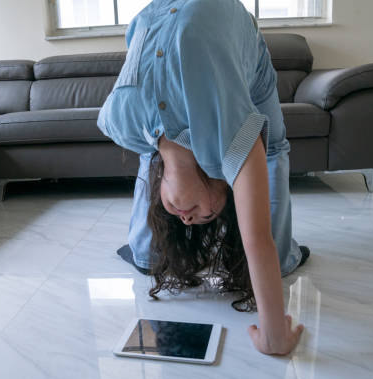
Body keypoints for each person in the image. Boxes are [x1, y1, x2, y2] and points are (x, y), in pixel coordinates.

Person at [97, 0, 308, 356]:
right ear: (224, 181)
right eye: (208, 216)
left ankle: (147, 255)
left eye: (178, 218)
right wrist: (274, 336)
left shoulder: (121, 124)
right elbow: (256, 238)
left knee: (154, 149)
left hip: (161, 12)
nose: (187, 218)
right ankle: (282, 259)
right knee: (269, 148)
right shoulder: (232, 139)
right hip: (227, 25)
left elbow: (136, 36)